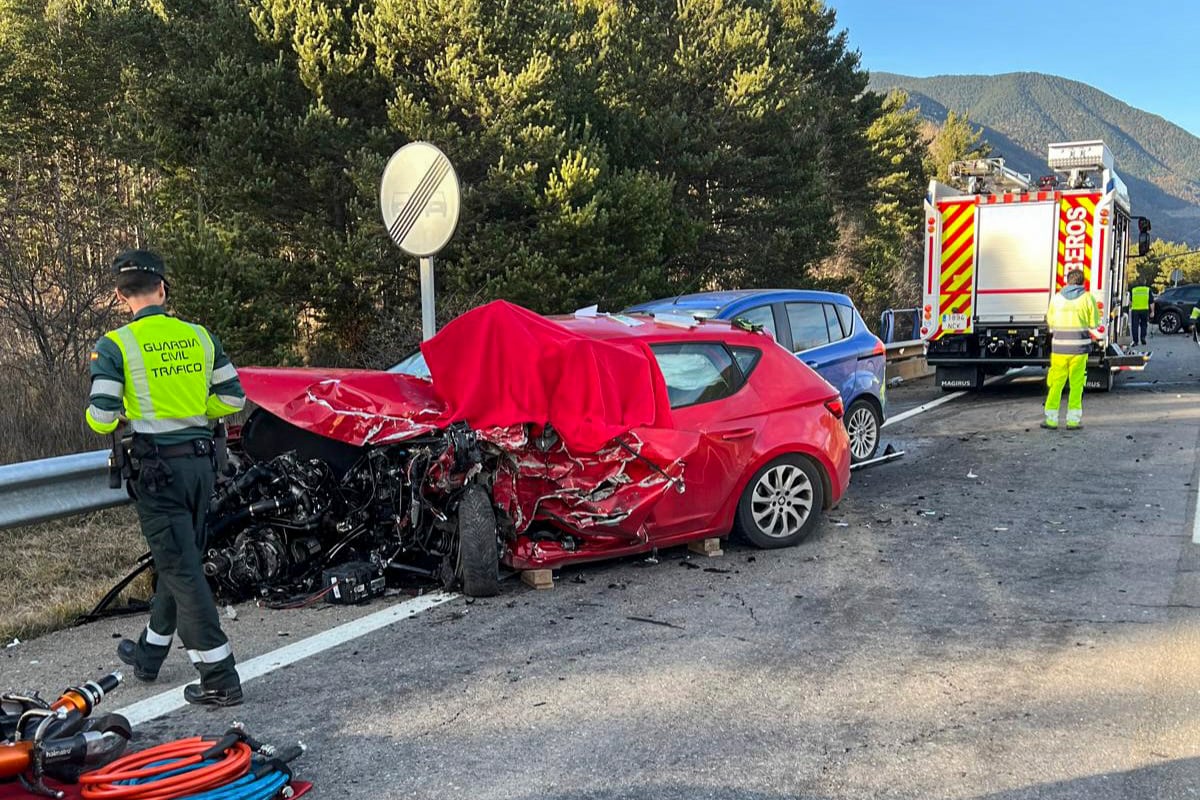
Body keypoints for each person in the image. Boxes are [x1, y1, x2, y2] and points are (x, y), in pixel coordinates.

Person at [85, 250, 247, 707]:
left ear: (121, 296)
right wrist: (192, 411)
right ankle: (150, 654)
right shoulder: (199, 336)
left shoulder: (116, 345)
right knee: (182, 560)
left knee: (180, 567)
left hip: (157, 473)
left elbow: (102, 415)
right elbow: (232, 399)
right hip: (202, 467)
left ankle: (219, 676)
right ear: (163, 290)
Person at [1043, 268, 1100, 431]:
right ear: (1082, 282)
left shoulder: (1056, 299)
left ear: (1067, 281)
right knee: (1076, 385)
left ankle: (1051, 420)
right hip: (1079, 349)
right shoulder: (1088, 298)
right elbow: (1094, 323)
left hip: (1059, 349)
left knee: (1056, 383)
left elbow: (1051, 322)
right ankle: (1073, 421)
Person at [1129, 281, 1153, 347]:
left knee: (1134, 326)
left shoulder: (1134, 290)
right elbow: (1151, 302)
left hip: (1135, 310)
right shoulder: (1148, 290)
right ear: (1145, 283)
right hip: (1145, 309)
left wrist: (1130, 306)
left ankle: (1135, 341)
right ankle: (1143, 338)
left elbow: (1130, 301)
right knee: (1144, 324)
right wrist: (1152, 311)